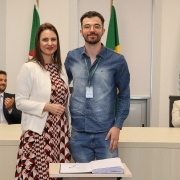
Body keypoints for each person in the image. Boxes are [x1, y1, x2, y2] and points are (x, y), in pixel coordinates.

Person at [65, 10, 130, 165]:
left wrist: (118, 126)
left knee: (109, 175)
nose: (92, 30)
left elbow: (124, 95)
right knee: (81, 178)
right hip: (78, 134)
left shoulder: (117, 60)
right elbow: (62, 87)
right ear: (81, 31)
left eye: (96, 26)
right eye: (87, 26)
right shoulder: (72, 57)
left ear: (103, 30)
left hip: (106, 134)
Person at [15, 23, 71, 180]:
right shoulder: (29, 68)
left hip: (60, 132)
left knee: (56, 175)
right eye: (45, 39)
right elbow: (19, 102)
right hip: (38, 133)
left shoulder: (60, 68)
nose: (50, 43)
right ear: (38, 42)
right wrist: (47, 107)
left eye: (53, 39)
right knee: (37, 176)